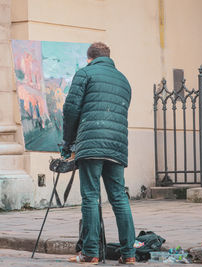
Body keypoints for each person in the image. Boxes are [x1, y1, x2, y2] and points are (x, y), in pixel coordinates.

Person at [62, 42, 136, 264]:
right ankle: (129, 254)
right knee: (119, 198)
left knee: (91, 197)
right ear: (108, 57)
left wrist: (68, 143)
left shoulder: (85, 73)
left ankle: (91, 252)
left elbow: (71, 109)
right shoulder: (123, 80)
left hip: (92, 144)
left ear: (89, 58)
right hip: (116, 146)